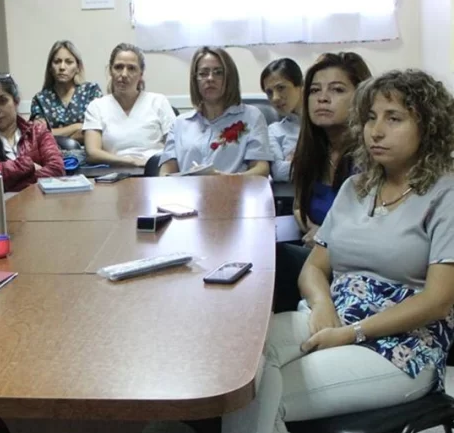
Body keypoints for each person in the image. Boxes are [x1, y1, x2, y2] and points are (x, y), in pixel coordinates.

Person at [179, 69, 454, 433]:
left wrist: (350, 333)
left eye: (394, 118)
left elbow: (440, 300)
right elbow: (318, 264)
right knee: (243, 365)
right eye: (371, 117)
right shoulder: (360, 185)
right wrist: (322, 308)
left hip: (399, 345)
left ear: (429, 125)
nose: (375, 131)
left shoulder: (446, 190)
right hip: (333, 314)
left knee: (264, 394)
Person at [274, 52, 372, 313]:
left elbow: (373, 230)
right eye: (315, 90)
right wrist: (313, 228)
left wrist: (325, 238)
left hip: (356, 266)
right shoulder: (313, 150)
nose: (322, 98)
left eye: (337, 90)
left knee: (279, 262)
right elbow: (297, 205)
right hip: (318, 251)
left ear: (362, 97)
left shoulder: (374, 154)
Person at [158, 47, 272, 177]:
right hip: (188, 194)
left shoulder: (251, 116)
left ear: (230, 78)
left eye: (218, 72)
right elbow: (165, 173)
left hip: (235, 193)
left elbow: (261, 169)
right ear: (195, 80)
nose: (210, 78)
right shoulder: (180, 123)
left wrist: (227, 180)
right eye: (203, 73)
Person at [0, 73, 65, 196]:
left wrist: (11, 185)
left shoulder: (37, 132)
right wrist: (27, 165)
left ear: (16, 101)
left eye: (2, 101)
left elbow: (57, 170)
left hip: (40, 207)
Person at [82, 43, 175, 167]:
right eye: (118, 67)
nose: (124, 74)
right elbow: (93, 153)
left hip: (155, 173)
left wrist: (151, 164)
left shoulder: (158, 101)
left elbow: (175, 147)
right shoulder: (97, 106)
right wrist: (131, 161)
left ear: (141, 74)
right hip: (114, 174)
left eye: (131, 68)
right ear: (110, 70)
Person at [30, 40, 103, 147]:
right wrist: (76, 127)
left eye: (69, 62)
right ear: (50, 67)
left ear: (78, 67)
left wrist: (57, 136)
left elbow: (99, 131)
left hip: (89, 157)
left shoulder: (91, 91)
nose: (62, 67)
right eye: (57, 61)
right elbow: (38, 135)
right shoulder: (40, 99)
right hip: (52, 157)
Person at [260, 58, 304, 182]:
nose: (275, 98)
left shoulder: (322, 121)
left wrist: (297, 161)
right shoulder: (274, 130)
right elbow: (279, 172)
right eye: (269, 92)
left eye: (281, 88)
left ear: (300, 85)